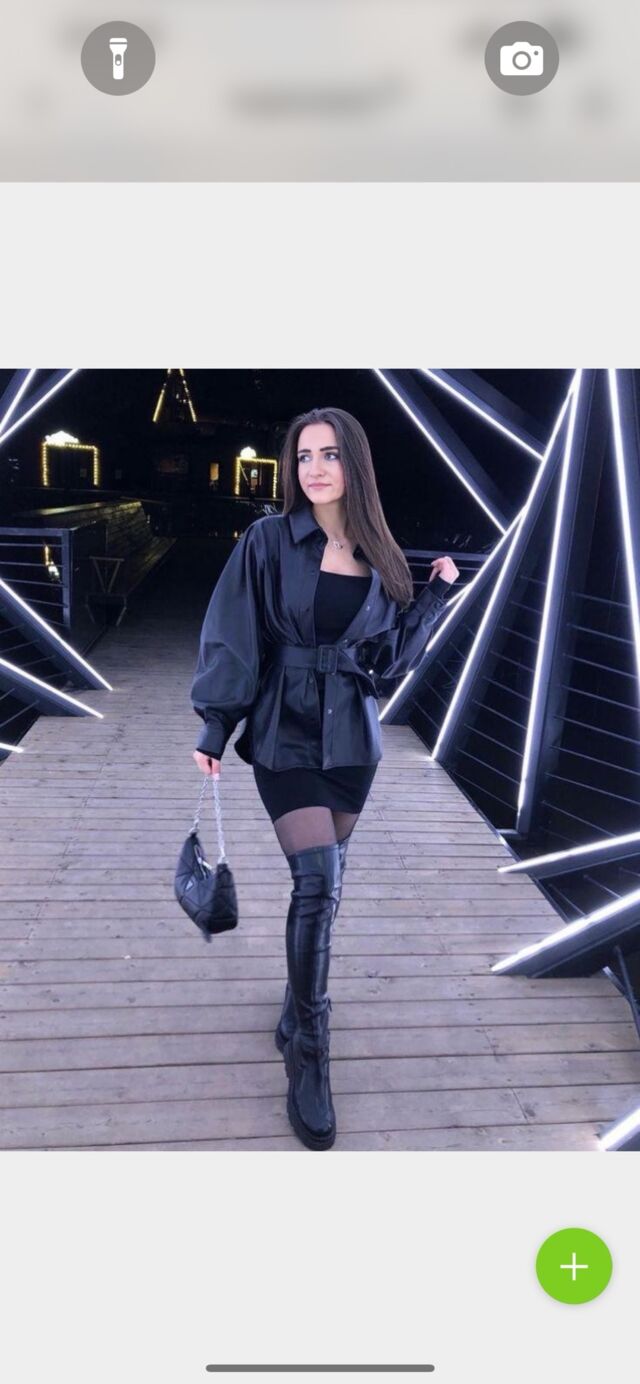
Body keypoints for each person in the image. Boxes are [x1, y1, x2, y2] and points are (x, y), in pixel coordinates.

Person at [191, 406, 459, 1150]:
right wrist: (216, 724)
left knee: (326, 888)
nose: (314, 468)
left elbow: (389, 661)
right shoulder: (268, 540)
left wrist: (433, 596)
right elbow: (233, 631)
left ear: (354, 465)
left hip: (352, 743)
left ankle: (293, 1005)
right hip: (283, 732)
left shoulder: (380, 550)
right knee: (316, 882)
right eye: (304, 455)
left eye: (330, 454)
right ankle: (310, 1053)